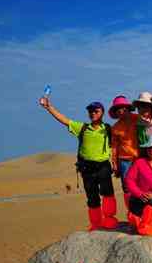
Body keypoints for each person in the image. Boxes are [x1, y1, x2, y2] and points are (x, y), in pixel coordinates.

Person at [39, 97, 117, 231]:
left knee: (108, 193)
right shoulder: (82, 128)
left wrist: (115, 162)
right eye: (90, 111)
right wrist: (48, 107)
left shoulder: (108, 129)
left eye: (96, 111)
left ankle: (109, 219)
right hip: (87, 167)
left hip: (103, 165)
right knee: (92, 197)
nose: (93, 113)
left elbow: (114, 146)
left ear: (102, 113)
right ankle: (96, 223)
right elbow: (64, 120)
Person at [108, 95, 138, 211]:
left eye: (123, 107)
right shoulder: (115, 128)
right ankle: (132, 214)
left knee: (142, 185)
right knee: (127, 187)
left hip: (139, 158)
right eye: (118, 108)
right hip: (124, 160)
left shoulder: (138, 119)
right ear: (115, 112)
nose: (121, 110)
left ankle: (145, 213)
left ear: (128, 108)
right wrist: (115, 163)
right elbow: (114, 147)